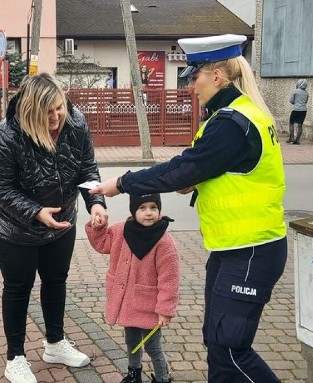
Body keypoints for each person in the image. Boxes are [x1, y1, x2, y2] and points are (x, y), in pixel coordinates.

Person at [89, 34, 287, 383]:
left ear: (216, 76)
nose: (191, 87)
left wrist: (121, 184)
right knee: (215, 342)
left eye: (193, 77)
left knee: (230, 349)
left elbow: (182, 167)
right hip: (232, 248)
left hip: (251, 250)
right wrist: (198, 180)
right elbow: (229, 168)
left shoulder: (232, 122)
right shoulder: (236, 116)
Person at [0, 72, 108, 383]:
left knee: (56, 281)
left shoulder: (76, 122)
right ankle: (15, 358)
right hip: (13, 227)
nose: (56, 116)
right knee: (19, 288)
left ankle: (55, 343)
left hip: (61, 222)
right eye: (47, 112)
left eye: (59, 108)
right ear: (30, 111)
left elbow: (87, 167)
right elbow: (0, 188)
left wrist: (97, 204)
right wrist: (35, 212)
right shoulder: (8, 134)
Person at [85, 193, 179, 383]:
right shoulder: (122, 230)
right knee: (131, 341)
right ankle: (134, 373)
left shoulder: (164, 241)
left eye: (153, 207)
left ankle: (163, 378)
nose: (148, 213)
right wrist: (99, 226)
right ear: (133, 210)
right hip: (127, 301)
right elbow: (102, 244)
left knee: (153, 346)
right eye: (142, 208)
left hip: (149, 305)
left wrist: (165, 309)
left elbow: (169, 279)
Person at [288, 79, 308, 144]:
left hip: (295, 109)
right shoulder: (306, 93)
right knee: (300, 125)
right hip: (303, 111)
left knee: (291, 123)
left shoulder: (295, 91)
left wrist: (296, 103)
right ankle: (298, 140)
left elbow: (291, 100)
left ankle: (292, 138)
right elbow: (306, 102)